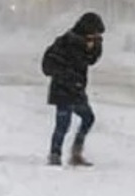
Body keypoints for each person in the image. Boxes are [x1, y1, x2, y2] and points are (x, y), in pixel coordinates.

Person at [40, 14, 105, 167]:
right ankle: (55, 155)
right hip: (63, 89)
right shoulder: (66, 43)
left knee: (88, 118)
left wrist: (96, 45)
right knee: (63, 124)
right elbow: (49, 65)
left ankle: (76, 152)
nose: (93, 38)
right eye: (93, 35)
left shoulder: (83, 44)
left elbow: (91, 60)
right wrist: (66, 75)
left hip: (77, 90)